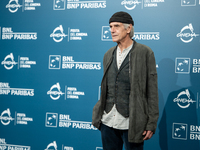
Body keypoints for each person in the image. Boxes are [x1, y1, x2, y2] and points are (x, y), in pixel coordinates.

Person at [92, 11, 159, 150]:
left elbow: (152, 91)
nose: (112, 30)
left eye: (116, 26)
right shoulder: (108, 54)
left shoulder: (145, 52)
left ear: (128, 28)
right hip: (108, 121)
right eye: (110, 26)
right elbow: (107, 87)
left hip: (133, 123)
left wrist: (151, 123)